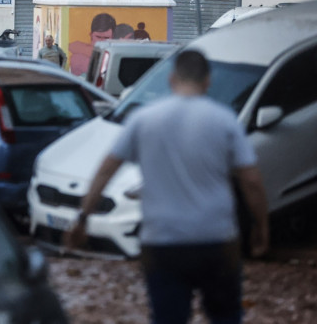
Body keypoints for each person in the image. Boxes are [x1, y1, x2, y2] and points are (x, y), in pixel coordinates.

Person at [64, 50, 269, 324]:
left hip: (162, 240)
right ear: (208, 81)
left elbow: (106, 170)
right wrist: (261, 225)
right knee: (226, 316)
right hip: (217, 238)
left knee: (168, 318)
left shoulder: (144, 119)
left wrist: (83, 218)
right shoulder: (224, 120)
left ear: (172, 79)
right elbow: (252, 181)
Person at [68, 12, 116, 76]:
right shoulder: (78, 58)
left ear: (113, 37)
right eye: (98, 37)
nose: (102, 41)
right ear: (91, 35)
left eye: (106, 38)